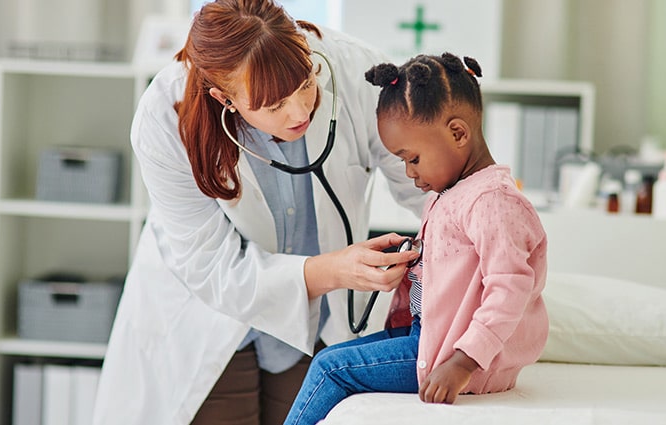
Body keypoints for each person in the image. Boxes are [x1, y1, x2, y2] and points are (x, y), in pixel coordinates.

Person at [91, 1, 426, 424]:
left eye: (306, 84)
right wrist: (333, 271)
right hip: (207, 321)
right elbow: (210, 265)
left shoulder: (357, 70)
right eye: (274, 106)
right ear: (224, 98)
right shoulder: (164, 117)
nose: (301, 111)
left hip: (318, 324)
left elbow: (429, 179)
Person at [283, 52, 550, 425]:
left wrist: (462, 362)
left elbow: (510, 290)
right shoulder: (455, 192)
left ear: (458, 133)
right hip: (431, 339)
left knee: (330, 368)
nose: (409, 172)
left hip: (457, 356)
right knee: (332, 358)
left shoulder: (492, 201)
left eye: (413, 158)